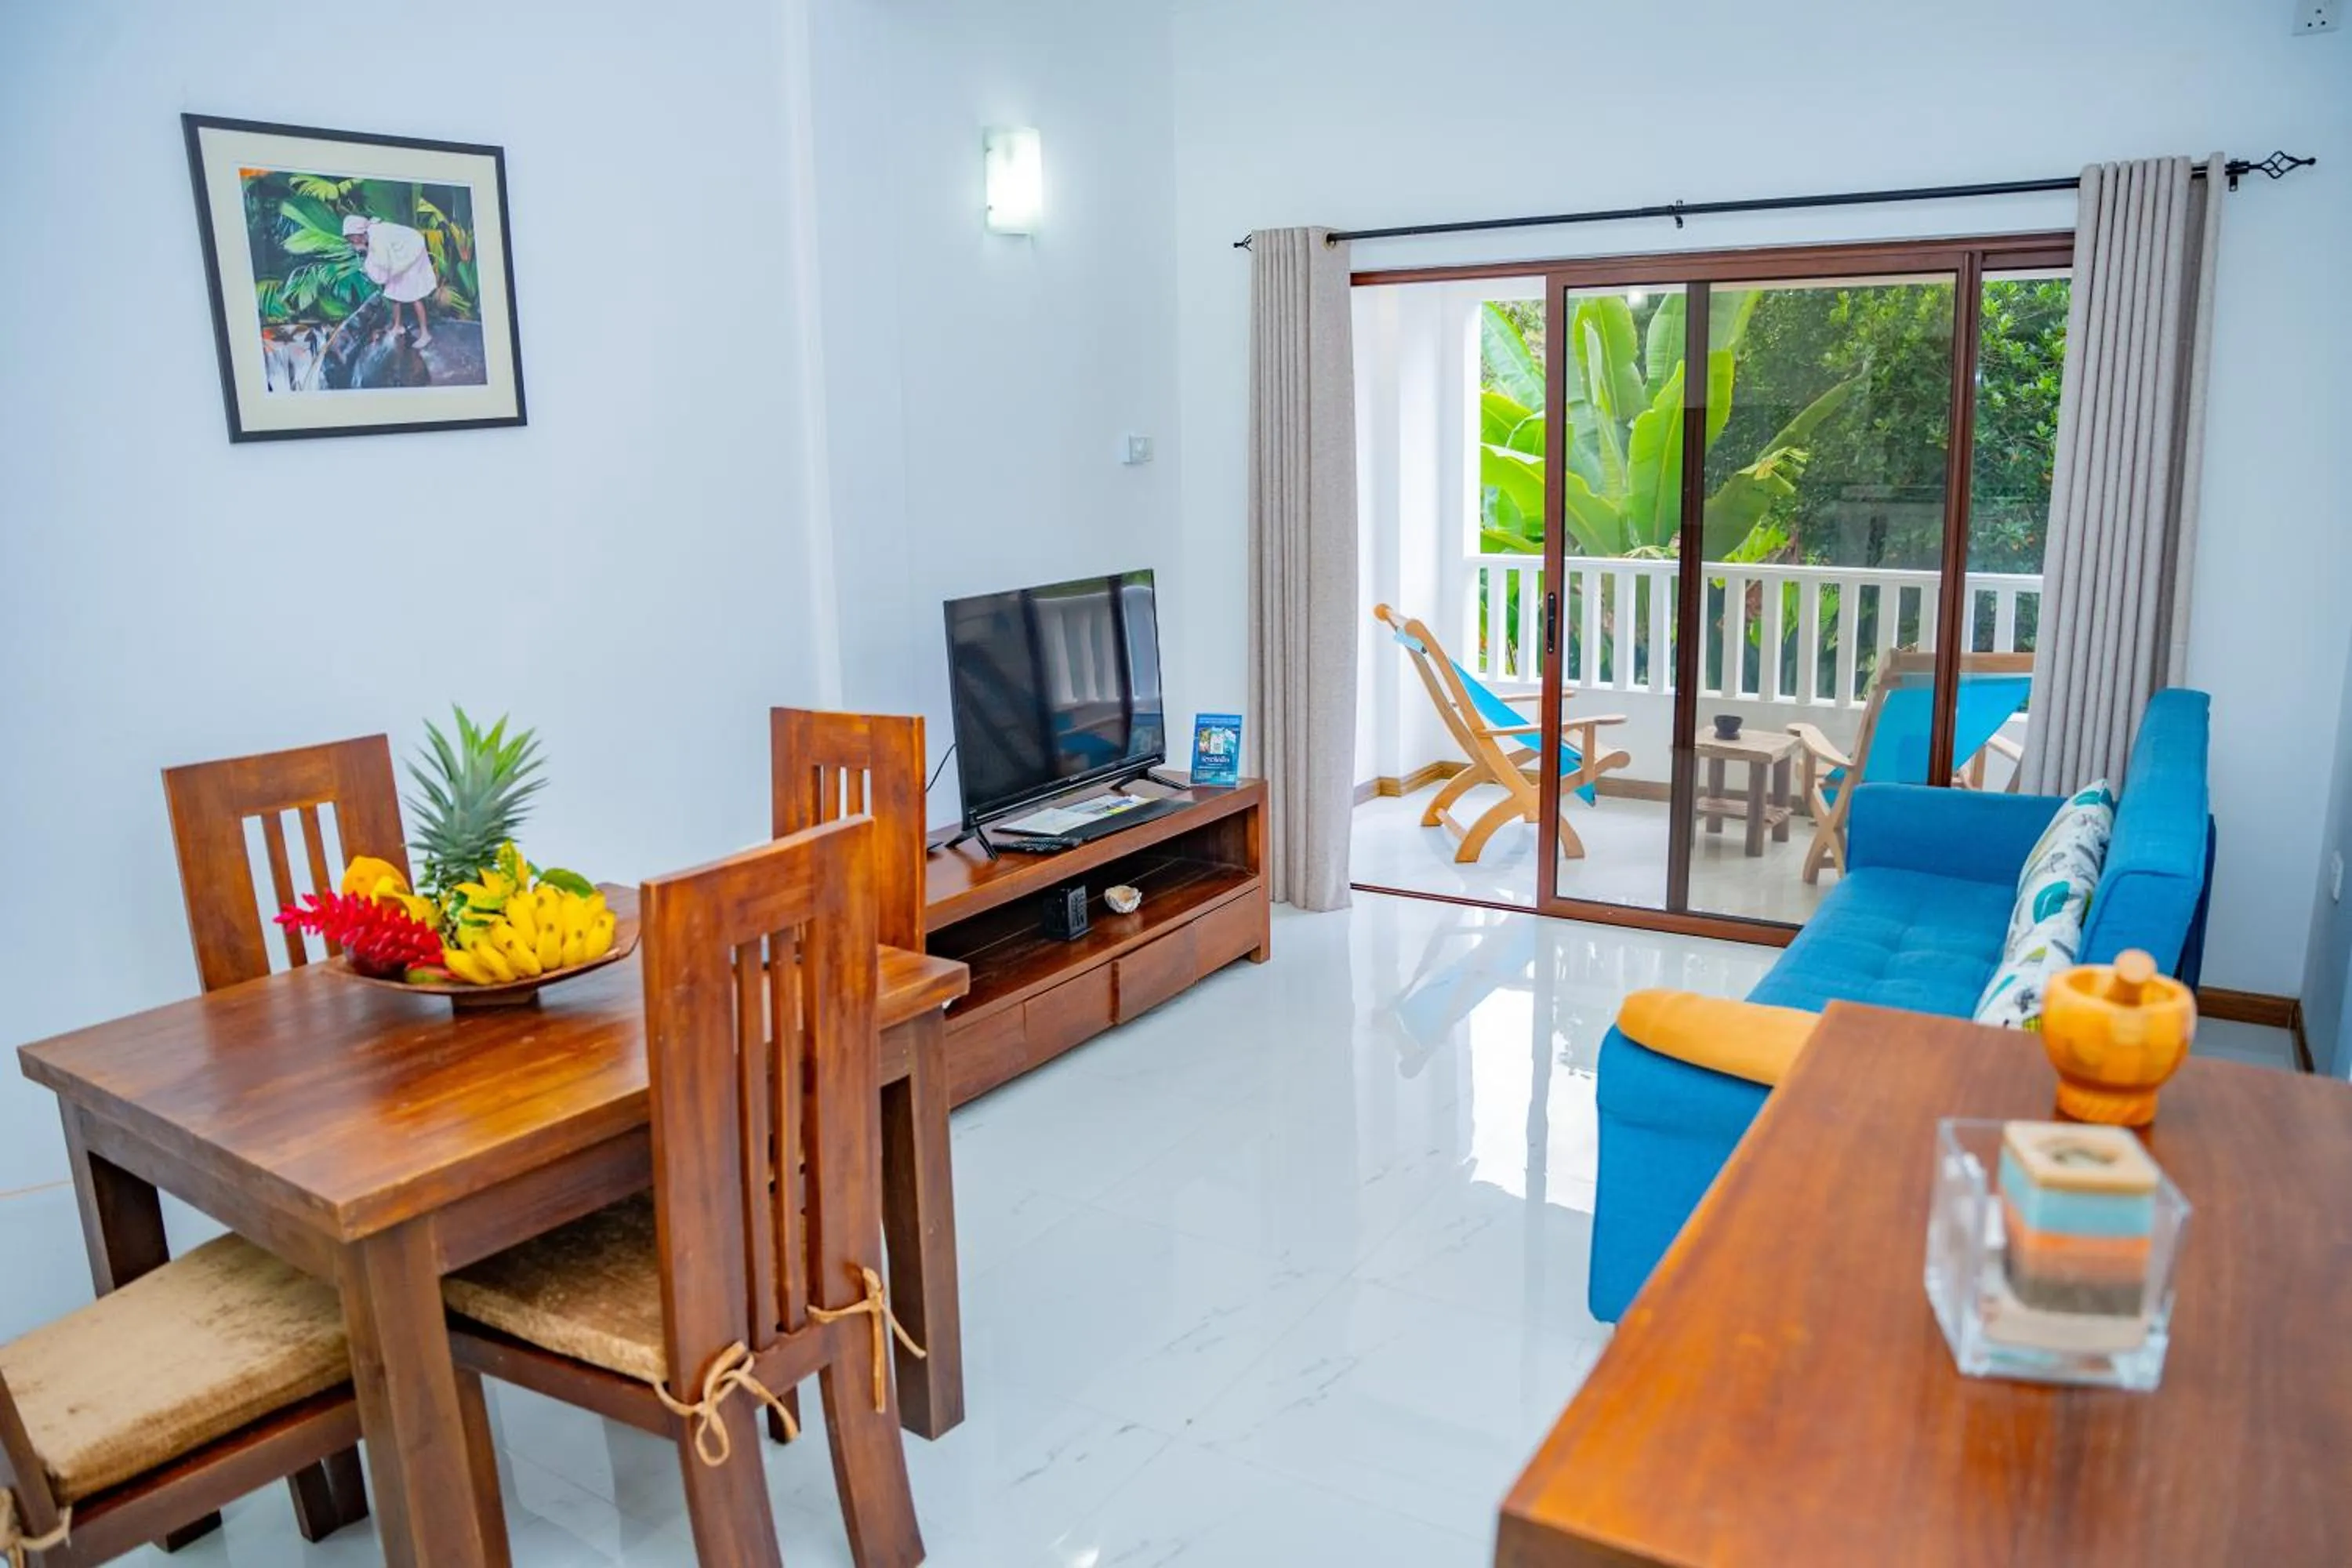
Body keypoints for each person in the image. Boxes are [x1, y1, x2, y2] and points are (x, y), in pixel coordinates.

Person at [342, 213, 437, 348]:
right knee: (393, 290)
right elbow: (383, 263)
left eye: (352, 238)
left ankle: (425, 334)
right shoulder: (369, 235)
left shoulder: (378, 238)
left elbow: (383, 265)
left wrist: (366, 254)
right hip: (398, 253)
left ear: (359, 233)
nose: (352, 242)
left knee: (415, 294)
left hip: (411, 251)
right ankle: (397, 326)